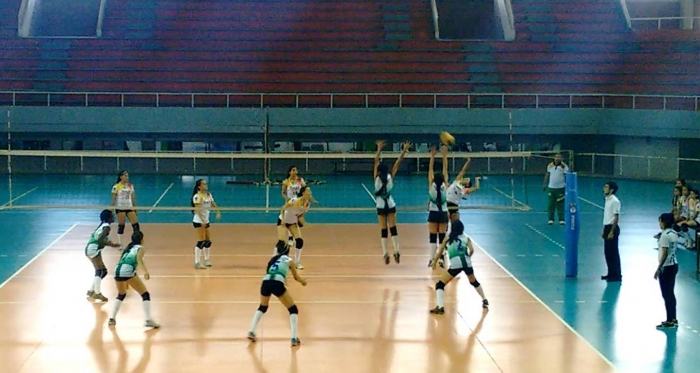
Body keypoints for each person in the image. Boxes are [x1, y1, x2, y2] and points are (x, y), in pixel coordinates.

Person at [248, 241, 307, 346]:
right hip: (277, 282)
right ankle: (294, 338)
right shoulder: (289, 261)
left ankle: (251, 331)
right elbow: (296, 277)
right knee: (293, 309)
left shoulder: (273, 260)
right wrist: (303, 281)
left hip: (265, 281)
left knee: (262, 307)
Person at [429, 220, 489, 314]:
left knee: (440, 284)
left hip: (455, 265)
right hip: (467, 263)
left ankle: (440, 307)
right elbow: (472, 250)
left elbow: (440, 251)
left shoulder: (448, 238)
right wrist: (468, 257)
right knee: (473, 281)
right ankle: (484, 299)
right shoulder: (466, 238)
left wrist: (434, 261)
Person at [108, 231, 160, 329]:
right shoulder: (140, 248)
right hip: (127, 271)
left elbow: (122, 261)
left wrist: (126, 282)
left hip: (117, 271)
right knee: (145, 294)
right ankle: (148, 319)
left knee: (121, 294)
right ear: (142, 239)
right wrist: (145, 272)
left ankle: (112, 318)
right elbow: (139, 260)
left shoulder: (128, 248)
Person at [373, 140, 410, 264]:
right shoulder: (390, 177)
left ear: (378, 171)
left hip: (380, 205)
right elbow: (398, 163)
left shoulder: (377, 178)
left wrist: (379, 149)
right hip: (390, 203)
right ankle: (397, 250)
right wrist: (404, 150)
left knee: (383, 230)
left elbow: (375, 162)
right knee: (393, 228)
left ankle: (385, 253)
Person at [85, 209, 121, 302]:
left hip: (93, 248)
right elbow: (100, 239)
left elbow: (96, 236)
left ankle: (91, 290)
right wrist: (112, 245)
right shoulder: (106, 227)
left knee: (103, 271)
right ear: (109, 218)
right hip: (93, 249)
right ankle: (97, 293)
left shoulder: (102, 225)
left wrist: (108, 242)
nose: (114, 217)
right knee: (100, 271)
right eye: (112, 216)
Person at [277, 186, 314, 269]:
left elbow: (300, 216)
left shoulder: (307, 204)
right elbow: (283, 208)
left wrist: (304, 223)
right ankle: (277, 260)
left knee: (299, 241)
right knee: (281, 243)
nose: (310, 193)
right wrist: (283, 219)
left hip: (292, 222)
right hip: (283, 221)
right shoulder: (295, 200)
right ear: (303, 192)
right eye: (308, 191)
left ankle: (297, 262)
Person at [655, 213, 679, 329]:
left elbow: (664, 253)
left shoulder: (664, 236)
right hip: (674, 264)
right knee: (671, 293)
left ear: (664, 222)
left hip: (667, 266)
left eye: (660, 221)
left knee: (666, 294)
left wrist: (659, 267)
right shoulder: (673, 233)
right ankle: (673, 318)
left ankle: (670, 320)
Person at [427, 145, 449, 268]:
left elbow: (430, 170)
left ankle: (431, 259)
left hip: (433, 212)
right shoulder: (444, 186)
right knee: (442, 237)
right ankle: (441, 258)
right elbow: (445, 169)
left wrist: (432, 156)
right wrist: (444, 155)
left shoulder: (432, 186)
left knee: (432, 237)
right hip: (443, 213)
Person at [191, 179, 221, 269]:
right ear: (199, 186)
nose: (206, 185)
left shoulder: (208, 195)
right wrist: (202, 221)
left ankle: (207, 259)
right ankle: (197, 262)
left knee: (207, 241)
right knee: (201, 242)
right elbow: (198, 210)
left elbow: (212, 203)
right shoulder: (197, 196)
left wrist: (217, 212)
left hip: (206, 221)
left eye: (205, 183)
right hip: (199, 221)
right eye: (203, 184)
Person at [111, 170, 140, 248]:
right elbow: (113, 199)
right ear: (121, 177)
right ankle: (120, 244)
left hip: (129, 207)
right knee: (121, 226)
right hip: (120, 208)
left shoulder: (130, 186)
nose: (127, 177)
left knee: (136, 225)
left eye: (127, 176)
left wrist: (135, 208)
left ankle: (137, 243)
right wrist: (112, 209)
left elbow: (133, 198)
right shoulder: (116, 186)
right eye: (125, 176)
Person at [601, 181, 622, 282]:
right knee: (608, 253)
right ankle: (610, 273)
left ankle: (617, 275)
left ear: (611, 190)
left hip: (612, 228)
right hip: (607, 227)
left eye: (606, 187)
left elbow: (615, 217)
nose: (604, 188)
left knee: (613, 253)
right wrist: (604, 229)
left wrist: (611, 231)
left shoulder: (615, 201)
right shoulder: (607, 199)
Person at [542, 153, 569, 225]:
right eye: (556, 157)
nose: (557, 158)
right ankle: (551, 219)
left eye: (559, 157)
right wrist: (544, 184)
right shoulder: (550, 166)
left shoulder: (564, 166)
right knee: (551, 204)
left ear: (561, 158)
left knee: (560, 204)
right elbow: (547, 174)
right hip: (551, 188)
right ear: (554, 158)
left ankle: (561, 219)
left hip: (560, 188)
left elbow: (567, 176)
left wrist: (568, 186)